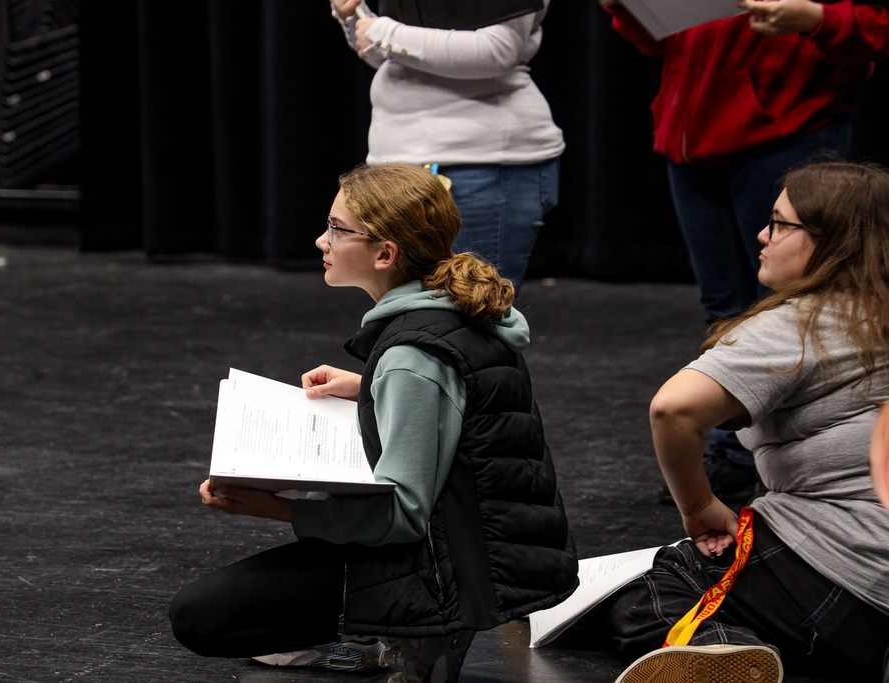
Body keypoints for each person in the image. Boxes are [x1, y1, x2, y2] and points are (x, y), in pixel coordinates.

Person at [169, 162, 578, 683]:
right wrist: (369, 387)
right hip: (490, 552)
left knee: (200, 618)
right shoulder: (457, 312)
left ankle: (399, 633)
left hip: (442, 570)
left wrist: (273, 508)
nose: (322, 240)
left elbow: (404, 515)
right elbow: (471, 405)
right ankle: (397, 633)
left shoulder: (412, 358)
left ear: (386, 255)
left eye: (338, 230)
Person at [598, 0, 889, 505]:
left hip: (783, 128)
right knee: (725, 310)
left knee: (796, 303)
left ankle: (786, 455)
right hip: (691, 139)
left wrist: (818, 18)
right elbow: (659, 40)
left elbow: (873, 32)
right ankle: (736, 453)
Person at [609, 161, 889, 683]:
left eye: (781, 224)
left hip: (849, 578)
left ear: (832, 242)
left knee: (661, 585)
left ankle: (724, 656)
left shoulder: (802, 323)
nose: (762, 234)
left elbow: (673, 408)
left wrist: (699, 509)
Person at [327, 0, 564, 294]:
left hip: (481, 162)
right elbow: (388, 53)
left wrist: (382, 31)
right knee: (406, 309)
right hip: (398, 160)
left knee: (472, 311)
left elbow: (497, 50)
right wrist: (355, 14)